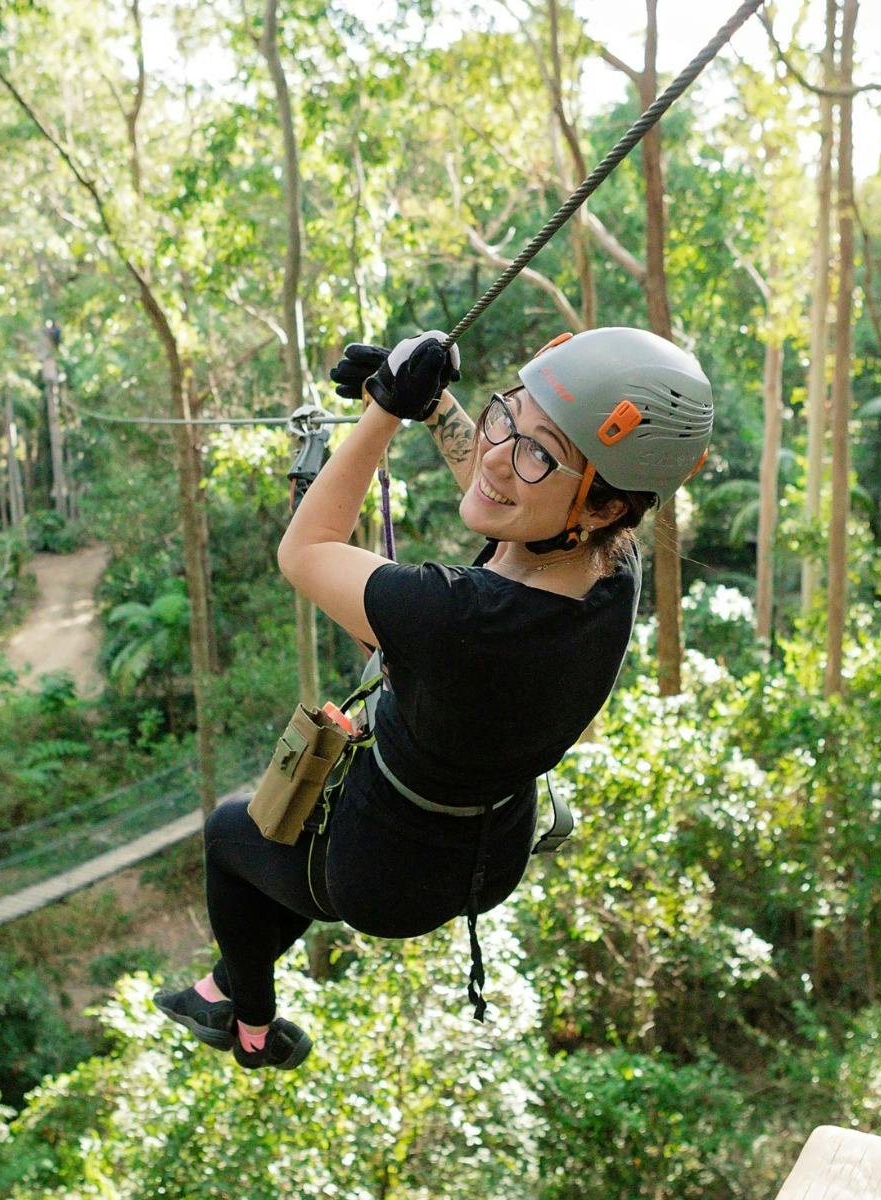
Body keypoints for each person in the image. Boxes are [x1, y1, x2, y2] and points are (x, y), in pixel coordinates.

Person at [154, 327, 714, 1070]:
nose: (493, 454)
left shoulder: (456, 619)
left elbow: (304, 550)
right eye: (506, 413)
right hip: (493, 843)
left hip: (385, 874)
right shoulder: (612, 567)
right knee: (282, 871)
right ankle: (225, 983)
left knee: (232, 837)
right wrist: (434, 406)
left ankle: (250, 1025)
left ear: (604, 507)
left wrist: (383, 411)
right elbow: (506, 500)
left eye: (538, 452)